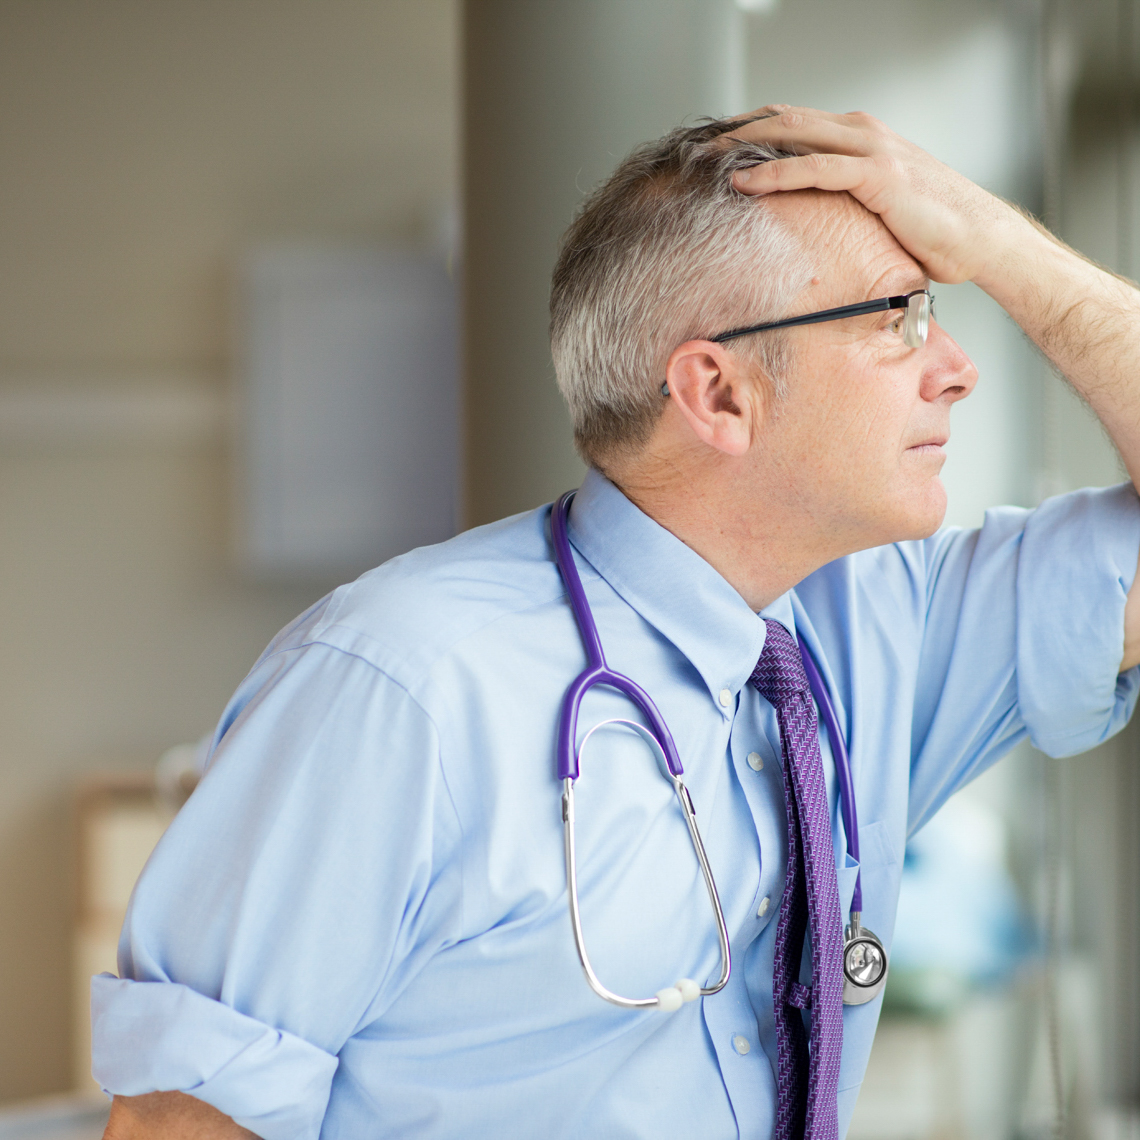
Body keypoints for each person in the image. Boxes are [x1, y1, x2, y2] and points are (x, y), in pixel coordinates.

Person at [95, 108, 1140, 1140]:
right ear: (720, 394)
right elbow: (183, 1123)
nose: (956, 365)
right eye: (895, 318)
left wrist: (1000, 244)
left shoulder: (883, 624)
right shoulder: (402, 684)